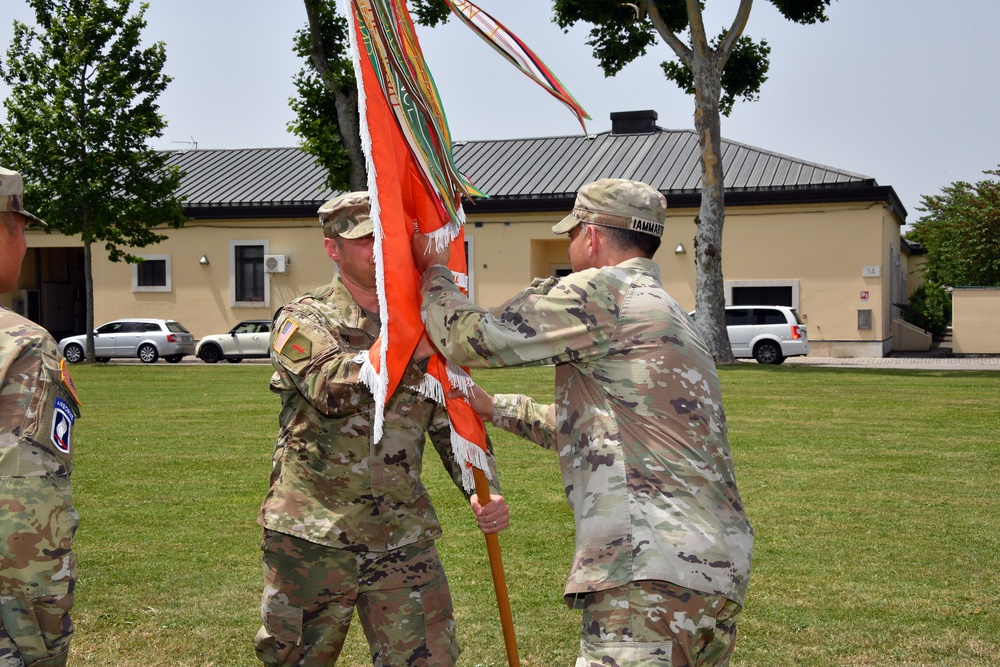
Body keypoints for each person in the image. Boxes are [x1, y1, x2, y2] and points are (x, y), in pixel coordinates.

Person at [413, 178, 754, 667]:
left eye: (572, 234)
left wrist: (434, 273)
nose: (570, 246)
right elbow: (604, 429)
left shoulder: (604, 291)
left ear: (590, 236)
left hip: (646, 570)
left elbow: (470, 338)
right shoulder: (670, 313)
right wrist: (496, 408)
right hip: (707, 573)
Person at [254, 191, 509, 667]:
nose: (381, 249)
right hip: (314, 535)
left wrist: (480, 487)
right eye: (366, 239)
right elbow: (330, 388)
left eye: (387, 238)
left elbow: (449, 413)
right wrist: (408, 342)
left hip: (401, 534)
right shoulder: (302, 318)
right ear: (333, 248)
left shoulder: (423, 320)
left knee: (430, 660)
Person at [0, 167, 82, 667]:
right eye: (22, 227)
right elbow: (25, 516)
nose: (27, 243)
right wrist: (37, 646)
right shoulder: (23, 345)